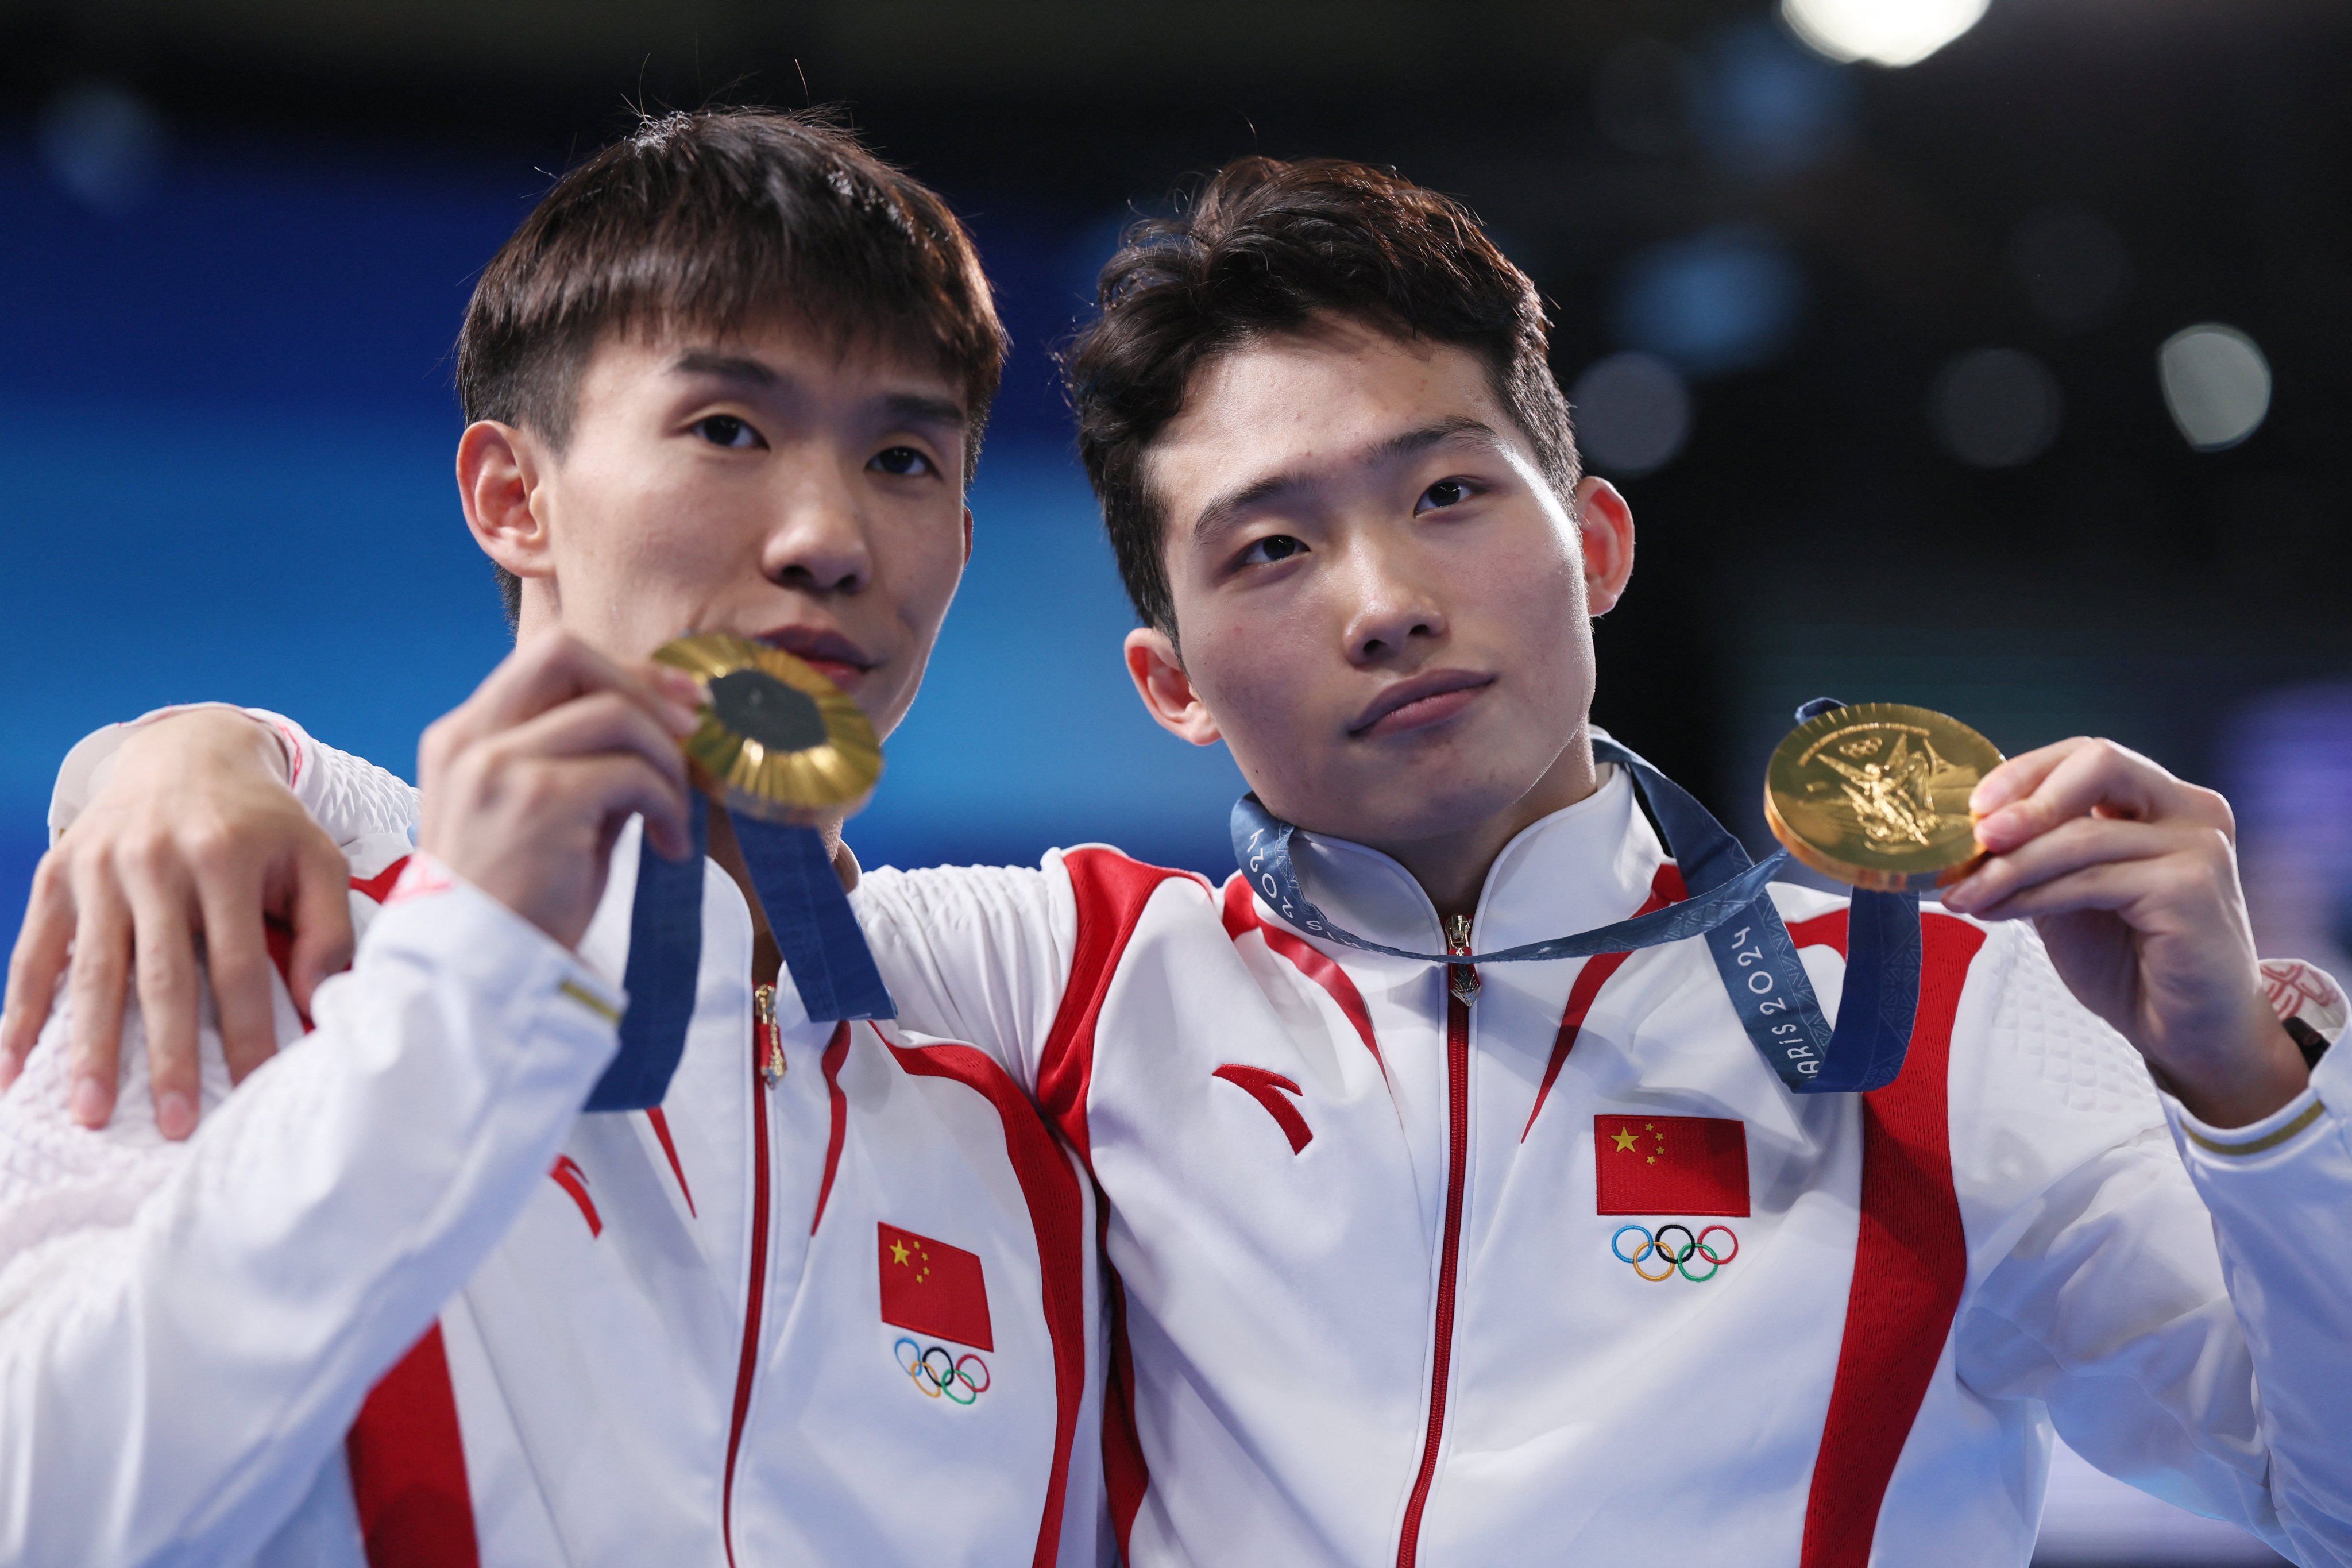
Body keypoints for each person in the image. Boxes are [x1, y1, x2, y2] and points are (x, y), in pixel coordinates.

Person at [17, 156, 2352, 1567]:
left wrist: (2261, 1094)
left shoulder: (1943, 1014)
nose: (1376, 597)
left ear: (1598, 538)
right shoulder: (1059, 976)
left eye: (1450, 492)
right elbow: (628, 884)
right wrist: (186, 756)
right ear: (1165, 677)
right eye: (1267, 545)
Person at [0, 109, 1105, 1567]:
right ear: (513, 499)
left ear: (963, 540)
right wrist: (464, 994)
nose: (826, 536)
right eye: (729, 429)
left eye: (904, 458)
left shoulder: (1020, 1111)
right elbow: (42, 1504)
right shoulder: (245, 932)